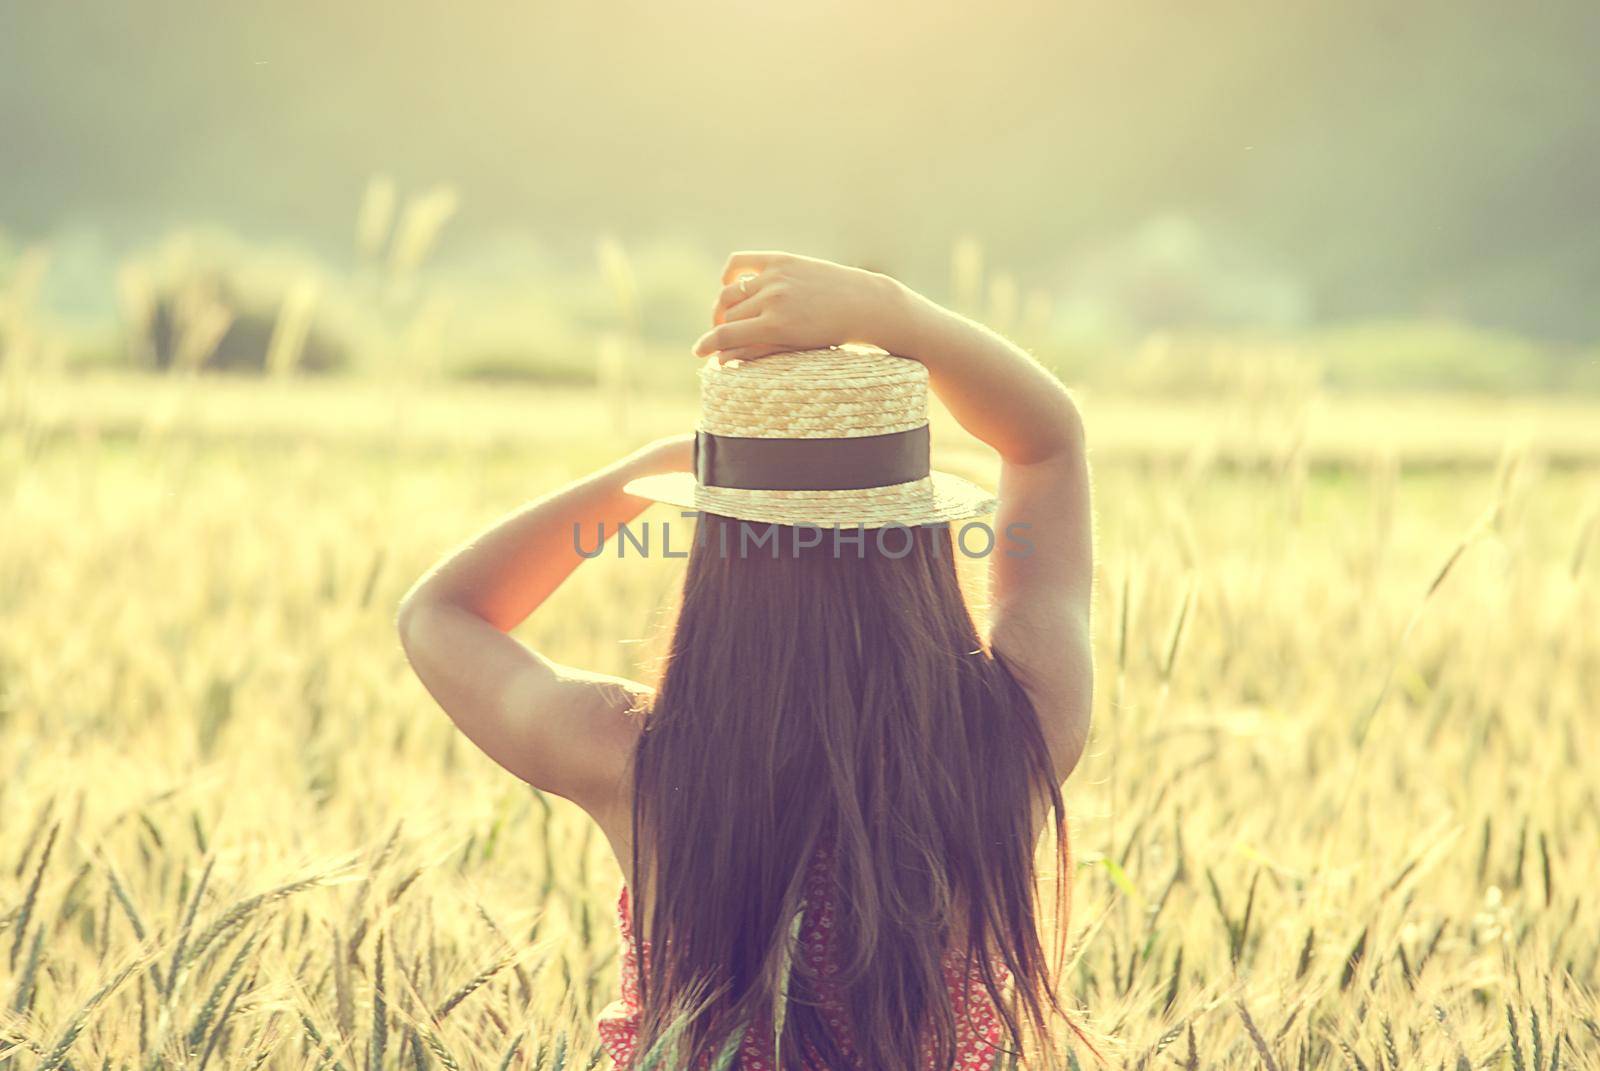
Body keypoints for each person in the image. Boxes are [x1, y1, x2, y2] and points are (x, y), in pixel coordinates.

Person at [397, 251, 1094, 1070]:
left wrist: (645, 473)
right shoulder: (1016, 734)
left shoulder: (639, 759)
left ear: (717, 545)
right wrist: (893, 310)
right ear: (921, 535)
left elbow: (439, 615)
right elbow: (1049, 443)